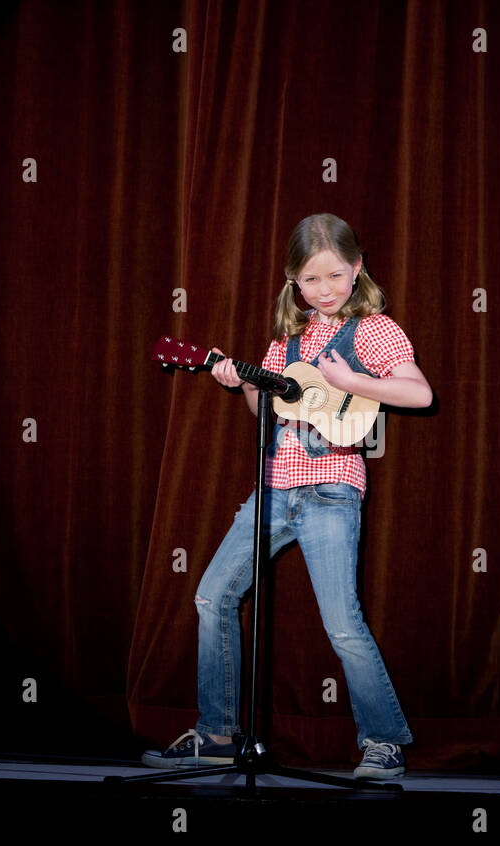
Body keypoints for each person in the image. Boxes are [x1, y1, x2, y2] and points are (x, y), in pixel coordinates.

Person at [142, 213, 432, 779]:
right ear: (292, 283)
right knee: (212, 596)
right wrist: (246, 383)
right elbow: (270, 413)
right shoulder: (288, 341)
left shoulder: (374, 329)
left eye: (334, 276)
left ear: (357, 269)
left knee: (342, 623)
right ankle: (220, 733)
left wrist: (354, 383)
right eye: (310, 281)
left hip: (331, 491)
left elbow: (419, 394)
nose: (324, 291)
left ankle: (383, 740)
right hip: (275, 487)